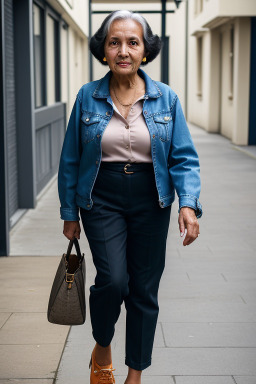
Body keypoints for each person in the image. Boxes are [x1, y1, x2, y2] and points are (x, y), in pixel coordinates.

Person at [58, 9, 203, 384]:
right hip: (100, 198)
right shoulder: (87, 97)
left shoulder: (166, 99)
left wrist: (187, 204)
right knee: (114, 280)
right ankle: (102, 345)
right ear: (104, 51)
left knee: (144, 289)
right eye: (114, 42)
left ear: (145, 51)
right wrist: (68, 213)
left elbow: (184, 157)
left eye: (132, 43)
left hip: (151, 200)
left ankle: (134, 374)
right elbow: (71, 159)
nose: (124, 50)